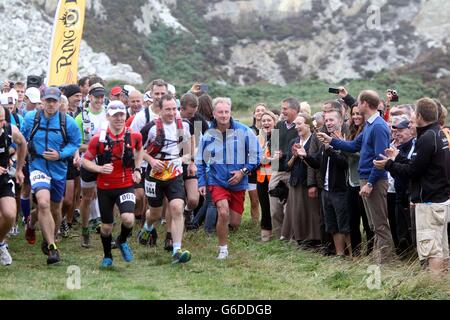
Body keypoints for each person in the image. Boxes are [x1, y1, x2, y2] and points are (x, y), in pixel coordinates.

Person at [317, 90, 395, 264]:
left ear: (365, 103)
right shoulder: (369, 125)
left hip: (373, 180)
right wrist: (331, 141)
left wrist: (370, 183)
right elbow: (353, 146)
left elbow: (381, 159)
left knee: (380, 224)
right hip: (365, 179)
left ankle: (387, 262)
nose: (357, 106)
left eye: (358, 103)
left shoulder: (379, 126)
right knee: (374, 225)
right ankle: (378, 259)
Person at [374, 98, 450, 273]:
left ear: (420, 115)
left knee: (431, 250)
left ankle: (432, 289)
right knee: (441, 248)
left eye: (415, 113)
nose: (413, 117)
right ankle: (441, 285)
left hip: (429, 202)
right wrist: (397, 157)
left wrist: (388, 165)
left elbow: (413, 171)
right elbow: (419, 165)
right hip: (439, 200)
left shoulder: (426, 138)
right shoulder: (438, 133)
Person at [197, 97, 260, 259]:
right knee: (223, 212)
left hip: (238, 182)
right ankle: (223, 249)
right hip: (216, 180)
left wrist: (243, 171)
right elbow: (200, 161)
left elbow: (256, 155)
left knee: (235, 222)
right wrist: (202, 182)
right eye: (220, 112)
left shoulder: (244, 131)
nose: (224, 115)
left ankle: (224, 230)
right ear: (214, 114)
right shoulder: (208, 135)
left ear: (230, 112)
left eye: (226, 112)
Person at [23, 86, 81, 264]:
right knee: (42, 202)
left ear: (58, 102)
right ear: (42, 101)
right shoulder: (31, 118)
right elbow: (22, 138)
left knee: (55, 209)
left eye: (54, 101)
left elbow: (75, 143)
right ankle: (51, 247)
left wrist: (61, 155)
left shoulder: (67, 122)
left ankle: (32, 223)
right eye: (47, 100)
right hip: (37, 165)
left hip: (58, 169)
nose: (50, 104)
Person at [82, 100, 143, 267]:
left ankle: (122, 240)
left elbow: (139, 150)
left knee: (128, 219)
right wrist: (100, 168)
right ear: (108, 116)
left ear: (125, 115)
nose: (118, 118)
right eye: (115, 115)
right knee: (107, 227)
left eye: (121, 114)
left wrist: (137, 169)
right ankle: (107, 256)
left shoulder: (134, 135)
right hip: (105, 188)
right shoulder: (98, 139)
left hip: (126, 185)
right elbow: (85, 161)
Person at [137, 94, 193, 263]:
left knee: (177, 207)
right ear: (160, 110)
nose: (172, 112)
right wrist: (152, 161)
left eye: (174, 109)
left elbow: (188, 149)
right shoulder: (151, 128)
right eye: (168, 109)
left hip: (174, 173)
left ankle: (177, 249)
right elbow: (138, 150)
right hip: (154, 174)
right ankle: (147, 227)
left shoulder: (183, 125)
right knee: (154, 213)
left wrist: (187, 159)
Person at [303, 110, 351, 257]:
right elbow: (317, 162)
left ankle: (353, 257)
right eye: (327, 120)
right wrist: (304, 156)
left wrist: (330, 149)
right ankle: (339, 254)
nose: (329, 123)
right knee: (332, 225)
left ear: (340, 121)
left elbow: (344, 164)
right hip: (326, 190)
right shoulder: (325, 140)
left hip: (341, 190)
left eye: (332, 120)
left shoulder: (344, 140)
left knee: (345, 225)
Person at [282, 114, 321, 246]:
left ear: (308, 125)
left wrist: (313, 184)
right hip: (295, 181)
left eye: (299, 124)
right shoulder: (294, 142)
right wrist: (294, 156)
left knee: (312, 213)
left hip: (309, 183)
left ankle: (314, 240)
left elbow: (317, 164)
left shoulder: (315, 140)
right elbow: (286, 167)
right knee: (297, 212)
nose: (297, 127)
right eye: (295, 124)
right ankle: (299, 238)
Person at [75, 83, 107, 247]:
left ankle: (104, 229)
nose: (100, 100)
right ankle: (85, 230)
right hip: (88, 160)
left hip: (105, 160)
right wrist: (93, 147)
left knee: (105, 194)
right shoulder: (81, 117)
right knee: (87, 197)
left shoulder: (108, 115)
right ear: (90, 97)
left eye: (102, 97)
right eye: (97, 97)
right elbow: (75, 143)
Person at [268, 98, 299, 239]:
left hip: (293, 171)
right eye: (282, 108)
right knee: (274, 209)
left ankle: (292, 236)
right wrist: (275, 151)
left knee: (290, 209)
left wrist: (284, 154)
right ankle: (280, 235)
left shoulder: (301, 126)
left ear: (294, 110)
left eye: (285, 108)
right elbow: (271, 144)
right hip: (277, 170)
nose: (282, 111)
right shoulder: (279, 125)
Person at [346, 103, 373, 256]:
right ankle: (356, 254)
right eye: (353, 114)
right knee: (352, 220)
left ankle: (370, 252)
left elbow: (362, 155)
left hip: (363, 180)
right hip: (350, 180)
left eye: (358, 113)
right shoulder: (351, 130)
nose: (356, 116)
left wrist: (343, 147)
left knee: (367, 221)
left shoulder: (368, 130)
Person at [0, 106, 26, 265]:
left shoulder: (10, 129)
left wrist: (19, 169)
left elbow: (23, 143)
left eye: (2, 119)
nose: (1, 123)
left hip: (2, 180)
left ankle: (1, 243)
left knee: (9, 215)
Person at [257, 111, 277, 241]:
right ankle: (266, 231)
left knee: (276, 207)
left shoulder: (279, 137)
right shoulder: (258, 138)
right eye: (263, 121)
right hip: (261, 177)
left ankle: (280, 231)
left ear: (274, 122)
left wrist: (267, 158)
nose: (266, 123)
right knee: (264, 205)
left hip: (275, 176)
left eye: (269, 120)